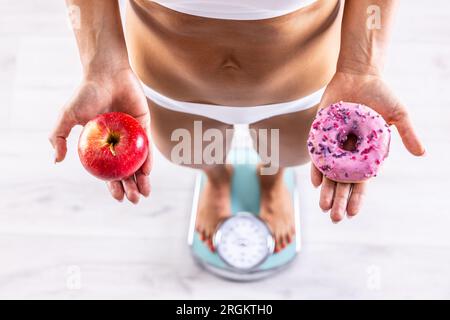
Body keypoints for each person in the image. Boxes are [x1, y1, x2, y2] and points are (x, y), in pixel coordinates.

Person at [49, 0, 425, 253]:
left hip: (304, 86)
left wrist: (361, 67)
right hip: (172, 86)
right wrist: (102, 65)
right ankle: (217, 180)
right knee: (195, 155)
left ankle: (272, 179)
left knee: (283, 154)